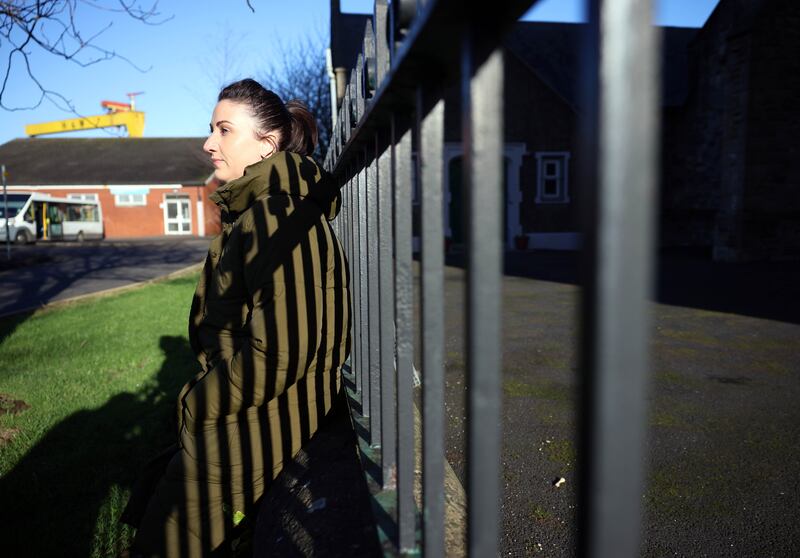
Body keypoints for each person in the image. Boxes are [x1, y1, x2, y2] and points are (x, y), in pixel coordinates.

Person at [125, 78, 352, 557]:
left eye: (224, 130)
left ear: (267, 144)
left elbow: (284, 349)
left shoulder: (278, 216)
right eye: (212, 129)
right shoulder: (259, 212)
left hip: (253, 427)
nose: (209, 143)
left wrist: (200, 403)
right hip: (244, 418)